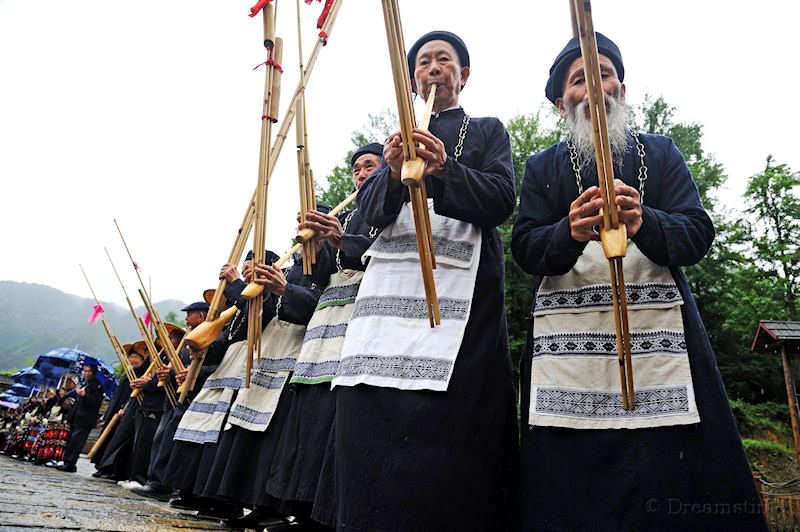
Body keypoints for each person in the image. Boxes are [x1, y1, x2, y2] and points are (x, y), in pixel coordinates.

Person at [511, 33, 767, 531]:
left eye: (603, 74)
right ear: (561, 103)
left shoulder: (661, 153)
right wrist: (567, 231)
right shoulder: (542, 166)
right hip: (570, 350)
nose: (595, 88)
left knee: (671, 478)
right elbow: (524, 249)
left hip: (662, 345)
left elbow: (697, 232)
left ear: (622, 90)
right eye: (580, 79)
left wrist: (644, 220)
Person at [330, 31, 518, 531]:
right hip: (387, 300)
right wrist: (391, 173)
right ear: (412, 80)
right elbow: (366, 222)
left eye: (444, 60)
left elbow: (501, 199)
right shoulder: (393, 143)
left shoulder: (486, 130)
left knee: (452, 420)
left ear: (464, 75)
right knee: (373, 412)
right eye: (424, 63)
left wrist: (444, 169)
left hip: (462, 298)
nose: (433, 68)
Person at [57, 364, 104, 472]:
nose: (86, 373)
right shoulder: (84, 384)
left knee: (76, 441)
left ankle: (70, 463)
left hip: (85, 419)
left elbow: (95, 403)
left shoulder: (97, 386)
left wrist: (85, 395)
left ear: (93, 373)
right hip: (76, 417)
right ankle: (66, 461)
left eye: (88, 371)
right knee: (70, 440)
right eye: (84, 371)